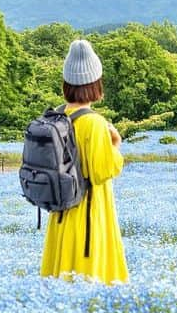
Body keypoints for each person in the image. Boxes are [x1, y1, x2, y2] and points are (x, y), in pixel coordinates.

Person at [40, 39, 129, 283]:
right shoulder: (94, 123)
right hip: (88, 214)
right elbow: (103, 171)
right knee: (89, 279)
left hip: (60, 213)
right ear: (95, 84)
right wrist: (116, 146)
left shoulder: (56, 117)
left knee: (59, 281)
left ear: (66, 84)